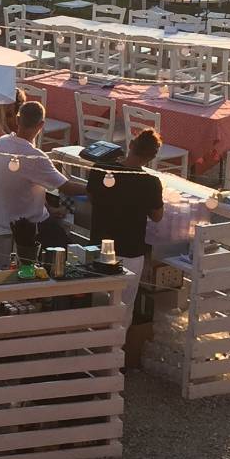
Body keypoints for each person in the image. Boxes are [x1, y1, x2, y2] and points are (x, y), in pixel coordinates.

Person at [87, 130, 168, 369]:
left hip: (99, 247)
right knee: (125, 308)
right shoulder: (150, 182)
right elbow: (157, 216)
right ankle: (113, 360)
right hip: (131, 251)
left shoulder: (102, 168)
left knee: (98, 302)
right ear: (151, 158)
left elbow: (90, 196)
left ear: (130, 144)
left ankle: (92, 353)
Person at [0, 98, 86, 250]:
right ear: (41, 125)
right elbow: (67, 188)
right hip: (26, 224)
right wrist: (94, 188)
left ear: (17, 119)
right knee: (74, 253)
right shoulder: (35, 156)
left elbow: (27, 185)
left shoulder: (1, 141)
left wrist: (50, 209)